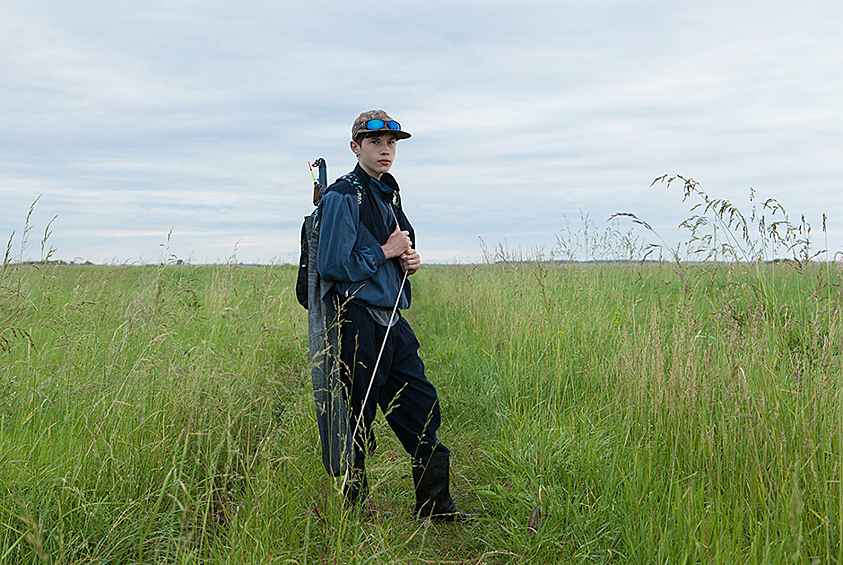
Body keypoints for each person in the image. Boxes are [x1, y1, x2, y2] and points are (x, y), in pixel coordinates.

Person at [316, 110, 471, 521]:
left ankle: (436, 507)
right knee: (356, 418)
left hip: (391, 320)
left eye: (392, 143)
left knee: (421, 405)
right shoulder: (343, 196)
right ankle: (350, 515)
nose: (385, 150)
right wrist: (385, 251)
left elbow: (393, 246)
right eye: (375, 143)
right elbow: (332, 265)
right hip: (356, 320)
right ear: (356, 147)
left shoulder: (388, 194)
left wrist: (409, 259)